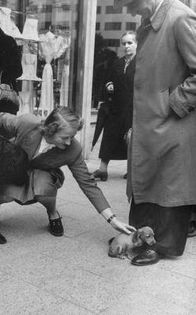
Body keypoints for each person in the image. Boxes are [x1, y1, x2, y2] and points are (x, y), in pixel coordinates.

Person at [115, 0, 196, 265]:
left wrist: (175, 102)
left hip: (172, 121)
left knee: (169, 185)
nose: (130, 11)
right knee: (149, 179)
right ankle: (141, 236)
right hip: (152, 121)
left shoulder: (180, 17)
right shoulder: (149, 22)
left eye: (132, 5)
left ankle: (162, 245)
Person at [0, 107, 135, 237]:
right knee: (0, 195)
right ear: (50, 130)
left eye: (72, 137)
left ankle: (52, 212)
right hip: (15, 168)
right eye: (65, 137)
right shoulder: (28, 123)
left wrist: (112, 219)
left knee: (43, 188)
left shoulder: (73, 150)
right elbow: (1, 117)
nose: (69, 142)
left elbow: (88, 184)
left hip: (44, 175)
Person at [92, 32, 137, 181]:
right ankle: (102, 170)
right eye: (124, 43)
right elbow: (108, 80)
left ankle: (131, 171)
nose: (126, 46)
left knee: (131, 139)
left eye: (130, 43)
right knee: (109, 136)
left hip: (134, 107)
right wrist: (109, 85)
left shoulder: (142, 63)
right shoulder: (117, 63)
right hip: (116, 106)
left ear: (137, 44)